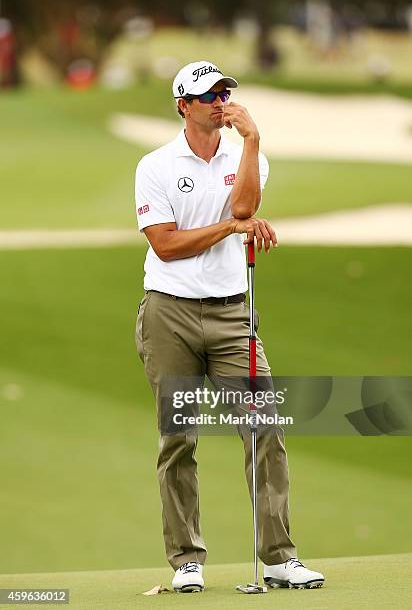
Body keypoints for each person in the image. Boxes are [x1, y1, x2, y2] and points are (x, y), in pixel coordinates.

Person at [134, 60, 325, 592]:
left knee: (265, 426)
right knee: (178, 438)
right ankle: (187, 561)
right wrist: (230, 227)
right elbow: (166, 245)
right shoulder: (155, 165)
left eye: (225, 93)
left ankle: (280, 557)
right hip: (169, 312)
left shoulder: (248, 156)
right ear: (183, 105)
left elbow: (244, 204)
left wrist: (253, 138)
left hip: (232, 313)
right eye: (209, 95)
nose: (220, 101)